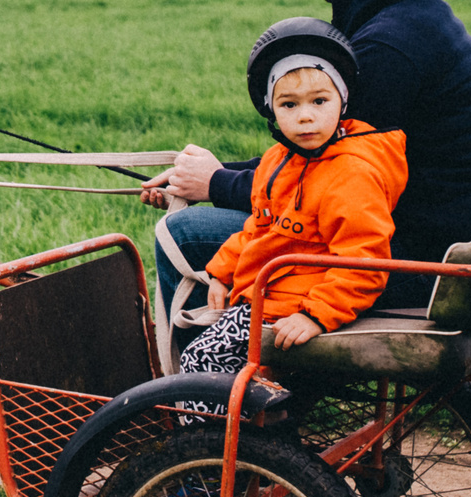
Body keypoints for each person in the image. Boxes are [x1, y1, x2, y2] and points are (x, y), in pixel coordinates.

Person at [146, 0, 471, 328]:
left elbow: (326, 184)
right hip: (436, 234)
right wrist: (210, 175)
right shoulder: (413, 19)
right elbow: (310, 157)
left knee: (183, 233)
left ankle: (202, 385)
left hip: (426, 258)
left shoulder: (389, 48)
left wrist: (216, 184)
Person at [174, 20, 408, 378]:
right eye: (289, 104)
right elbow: (260, 228)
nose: (306, 116)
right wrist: (221, 271)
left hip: (296, 305)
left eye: (319, 100)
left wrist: (315, 315)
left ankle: (215, 435)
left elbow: (365, 260)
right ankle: (251, 427)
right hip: (267, 297)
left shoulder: (351, 174)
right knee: (201, 345)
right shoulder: (278, 161)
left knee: (200, 361)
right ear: (271, 109)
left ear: (342, 101)